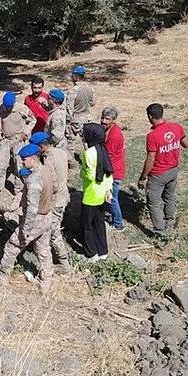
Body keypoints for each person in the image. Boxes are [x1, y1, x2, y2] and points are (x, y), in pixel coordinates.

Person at [0, 144, 54, 291]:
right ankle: (46, 282)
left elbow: (31, 209)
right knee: (43, 249)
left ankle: (2, 276)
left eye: (24, 159)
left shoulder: (34, 180)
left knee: (12, 245)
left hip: (35, 220)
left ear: (33, 159)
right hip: (47, 216)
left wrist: (25, 230)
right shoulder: (46, 170)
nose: (22, 162)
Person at [137, 103, 188, 239]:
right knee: (169, 196)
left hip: (158, 174)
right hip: (173, 170)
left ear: (149, 116)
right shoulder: (176, 127)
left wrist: (143, 177)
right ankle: (169, 220)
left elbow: (150, 158)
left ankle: (160, 231)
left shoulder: (152, 136)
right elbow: (187, 144)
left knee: (153, 202)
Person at [31, 131, 71, 274]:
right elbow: (71, 164)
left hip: (56, 199)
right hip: (64, 193)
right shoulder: (60, 152)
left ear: (42, 146)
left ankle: (63, 263)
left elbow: (52, 184)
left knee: (53, 230)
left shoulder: (48, 161)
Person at [0, 91, 35, 195]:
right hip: (5, 140)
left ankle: (18, 190)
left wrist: (25, 133)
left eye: (10, 106)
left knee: (19, 166)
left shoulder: (22, 109)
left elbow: (33, 120)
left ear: (14, 102)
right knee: (1, 166)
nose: (8, 109)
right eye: (6, 106)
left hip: (18, 140)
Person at [80, 123, 114, 262]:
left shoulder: (88, 154)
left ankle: (91, 253)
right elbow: (108, 172)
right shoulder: (103, 149)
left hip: (90, 194)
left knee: (87, 226)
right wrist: (108, 190)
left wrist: (81, 171)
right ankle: (103, 251)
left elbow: (88, 175)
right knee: (99, 223)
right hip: (103, 193)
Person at [101, 106, 126, 231]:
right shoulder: (110, 130)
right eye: (102, 118)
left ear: (113, 120)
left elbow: (108, 155)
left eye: (107, 119)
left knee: (111, 198)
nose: (103, 121)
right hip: (113, 168)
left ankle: (118, 223)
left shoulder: (114, 135)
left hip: (114, 171)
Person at [65, 66, 96, 160]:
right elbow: (93, 102)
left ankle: (71, 162)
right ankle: (91, 161)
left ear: (75, 76)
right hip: (87, 117)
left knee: (70, 143)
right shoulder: (90, 88)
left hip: (75, 119)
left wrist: (67, 122)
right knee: (87, 142)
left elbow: (69, 109)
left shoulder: (73, 91)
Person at [45, 89, 68, 153]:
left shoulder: (57, 116)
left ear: (54, 100)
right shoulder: (55, 111)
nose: (47, 100)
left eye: (49, 98)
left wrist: (48, 145)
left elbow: (57, 136)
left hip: (57, 148)